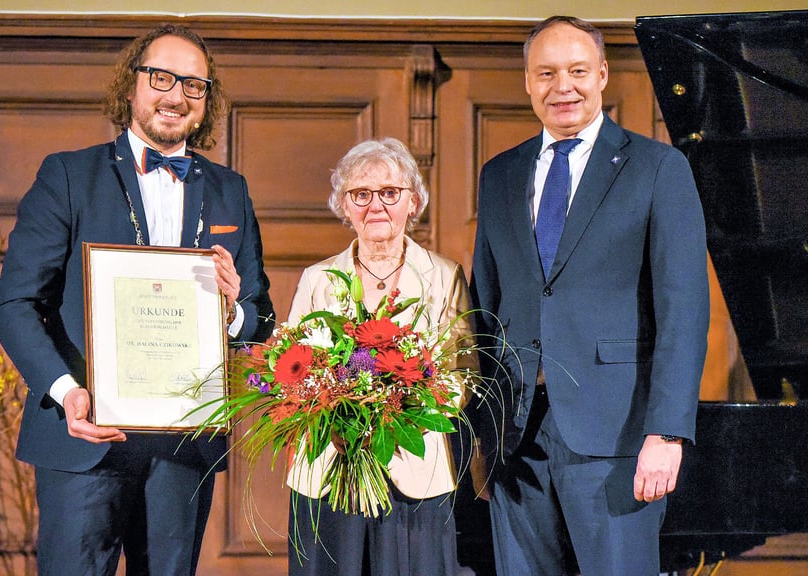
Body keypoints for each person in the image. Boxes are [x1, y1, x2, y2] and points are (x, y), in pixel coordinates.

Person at [0, 24, 275, 576]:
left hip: (183, 447)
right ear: (131, 87)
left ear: (207, 100)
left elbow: (259, 319)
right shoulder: (68, 174)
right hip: (83, 439)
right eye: (161, 77)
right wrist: (68, 392)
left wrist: (233, 311)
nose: (176, 95)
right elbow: (15, 305)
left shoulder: (230, 190)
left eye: (194, 85)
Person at [469, 16, 709, 576]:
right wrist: (484, 427)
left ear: (602, 74)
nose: (563, 87)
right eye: (546, 73)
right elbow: (486, 302)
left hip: (619, 437)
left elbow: (685, 310)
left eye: (578, 71)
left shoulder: (658, 168)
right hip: (516, 437)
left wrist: (667, 432)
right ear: (527, 82)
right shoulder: (499, 174)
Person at [285, 137, 475, 576]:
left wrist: (397, 408)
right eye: (361, 194)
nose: (376, 205)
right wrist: (335, 405)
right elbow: (291, 370)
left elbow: (462, 373)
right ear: (344, 206)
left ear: (413, 202)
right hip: (328, 471)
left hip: (416, 472)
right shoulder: (316, 279)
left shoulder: (443, 277)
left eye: (390, 193)